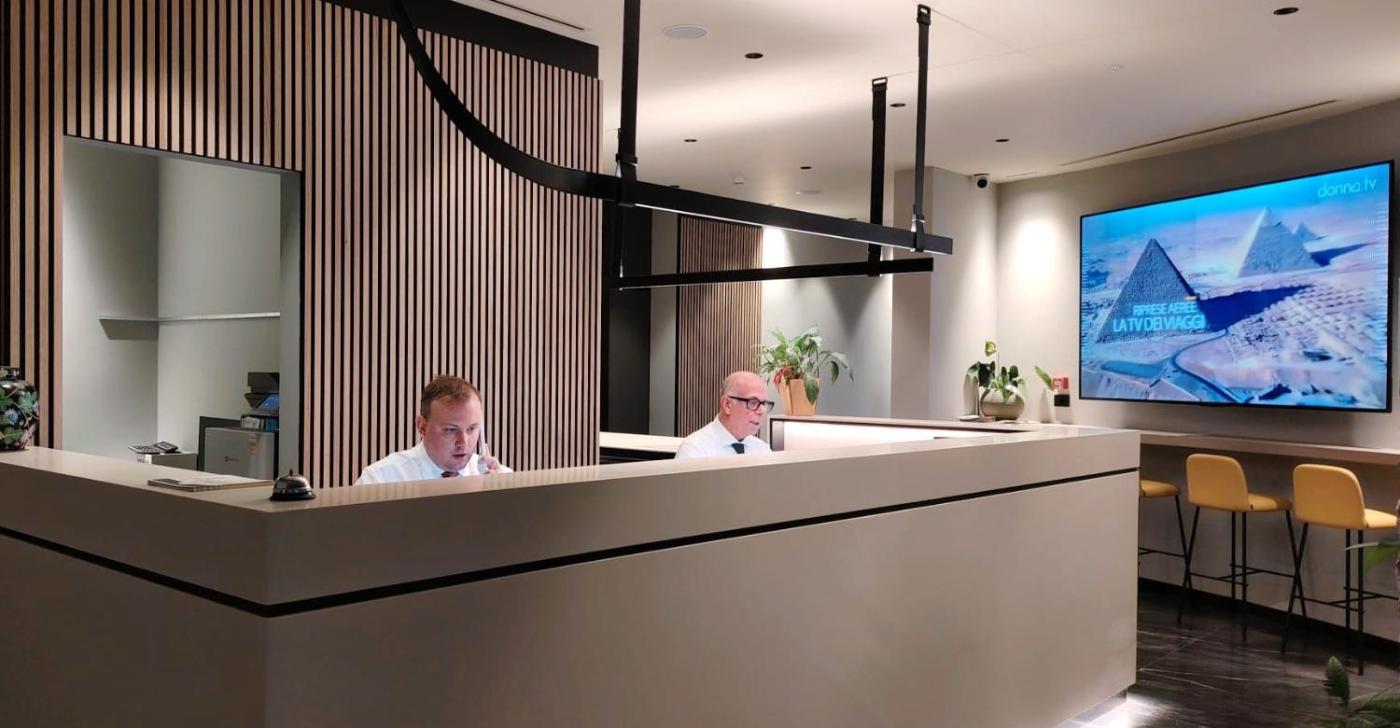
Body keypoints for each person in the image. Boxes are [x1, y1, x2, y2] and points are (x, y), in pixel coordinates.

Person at [355, 375, 509, 484]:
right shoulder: (379, 480)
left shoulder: (501, 478)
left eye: (472, 429)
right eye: (450, 430)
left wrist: (500, 498)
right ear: (422, 426)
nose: (463, 443)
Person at [674, 371, 775, 459]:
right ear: (727, 404)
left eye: (764, 404)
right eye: (753, 402)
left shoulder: (763, 450)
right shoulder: (695, 450)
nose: (761, 411)